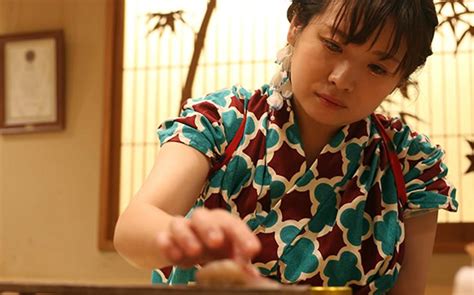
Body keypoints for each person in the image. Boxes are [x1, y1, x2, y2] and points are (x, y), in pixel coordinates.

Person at [113, 0, 459, 294]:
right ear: (296, 26)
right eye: (333, 45)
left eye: (377, 67)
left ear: (400, 78)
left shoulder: (410, 163)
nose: (343, 78)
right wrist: (187, 238)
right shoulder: (222, 122)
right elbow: (133, 229)